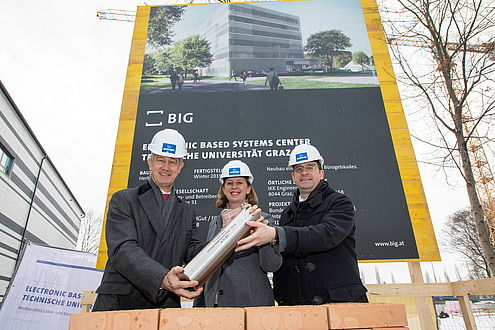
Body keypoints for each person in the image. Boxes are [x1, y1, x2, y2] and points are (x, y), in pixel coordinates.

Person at [236, 144, 368, 305]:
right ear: (293, 176)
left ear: (321, 173)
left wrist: (275, 234)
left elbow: (326, 234)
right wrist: (282, 294)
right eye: (298, 169)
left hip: (339, 303)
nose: (304, 172)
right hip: (298, 306)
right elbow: (282, 260)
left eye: (310, 167)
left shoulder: (339, 203)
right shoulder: (288, 213)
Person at [92, 129, 204, 311]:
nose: (166, 167)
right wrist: (161, 278)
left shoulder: (187, 212)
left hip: (164, 308)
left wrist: (230, 235)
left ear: (180, 167)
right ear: (150, 162)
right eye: (160, 160)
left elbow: (194, 251)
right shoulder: (124, 200)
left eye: (172, 162)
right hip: (119, 303)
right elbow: (123, 250)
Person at [193, 160, 281, 307]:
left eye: (240, 182)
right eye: (229, 183)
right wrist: (199, 306)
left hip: (251, 307)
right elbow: (208, 269)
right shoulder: (215, 224)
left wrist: (265, 239)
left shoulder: (261, 219)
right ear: (223, 188)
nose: (234, 187)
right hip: (215, 307)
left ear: (248, 189)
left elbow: (272, 265)